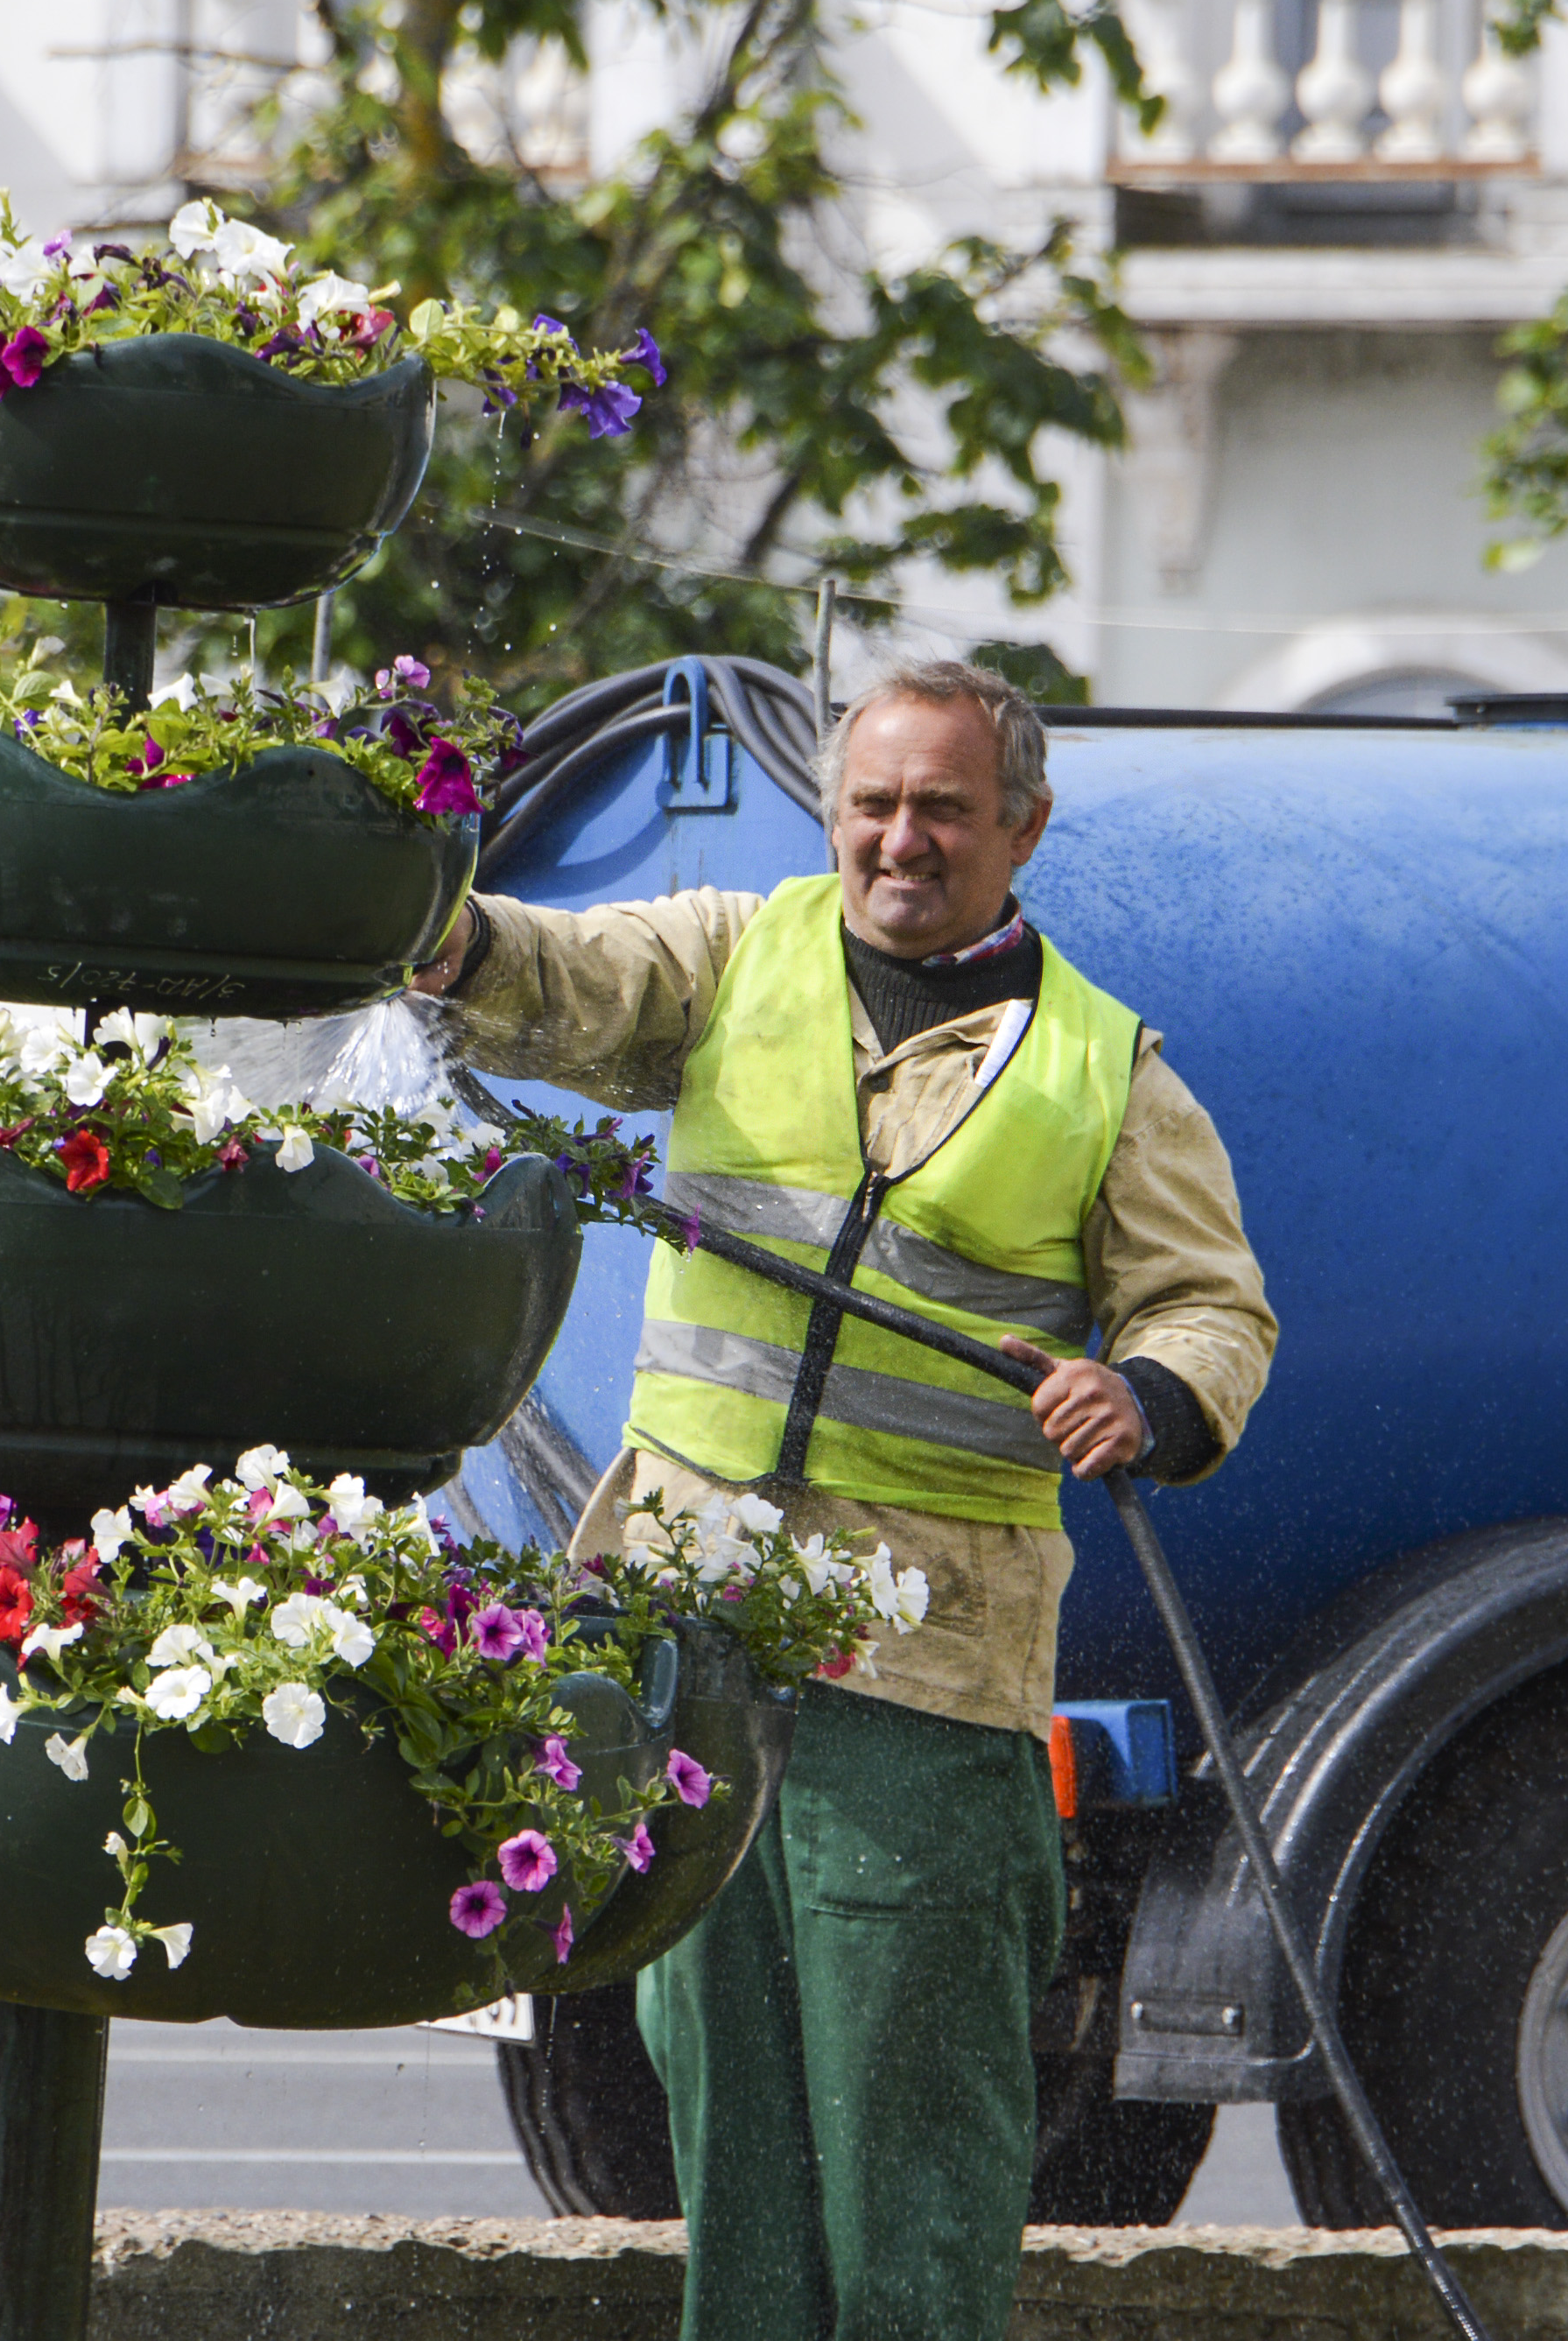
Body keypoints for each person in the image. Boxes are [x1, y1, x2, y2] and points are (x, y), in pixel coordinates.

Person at [409, 656, 1276, 2341]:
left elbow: (1211, 1304)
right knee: (720, 2095)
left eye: (945, 808)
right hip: (694, 1640)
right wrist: (440, 932)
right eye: (874, 802)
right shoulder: (734, 957)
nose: (902, 838)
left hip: (928, 1670)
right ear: (831, 810)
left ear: (1022, 827)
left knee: (915, 2120)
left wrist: (1148, 1391)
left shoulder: (1107, 1072)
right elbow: (559, 980)